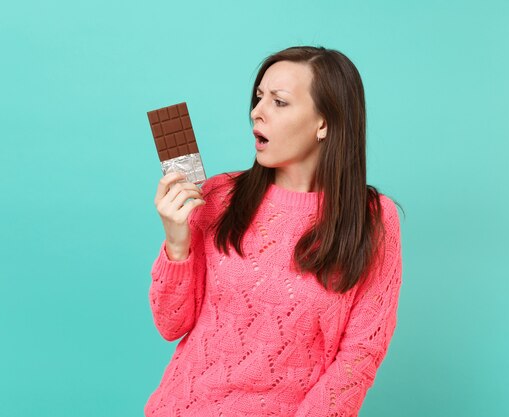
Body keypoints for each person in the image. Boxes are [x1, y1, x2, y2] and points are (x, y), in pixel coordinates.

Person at [145, 46, 403, 417]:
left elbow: (359, 358)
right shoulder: (219, 197)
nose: (257, 112)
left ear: (324, 123)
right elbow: (172, 325)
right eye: (259, 97)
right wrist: (176, 241)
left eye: (279, 102)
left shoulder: (373, 221)